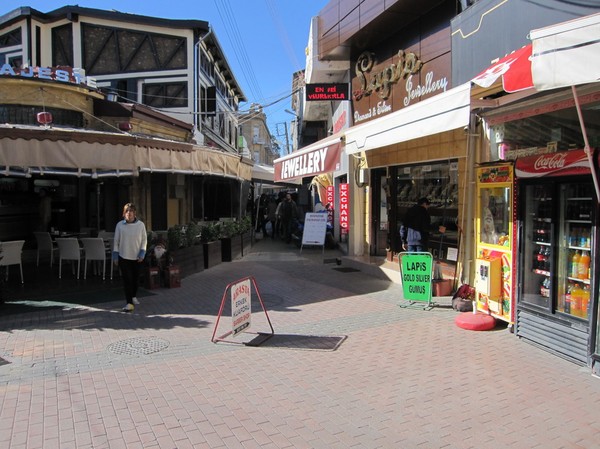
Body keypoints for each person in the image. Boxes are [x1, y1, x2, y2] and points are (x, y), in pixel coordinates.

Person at [113, 203, 147, 312]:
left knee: (135, 280)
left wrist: (142, 253)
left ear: (135, 213)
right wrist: (115, 257)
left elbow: (144, 240)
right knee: (127, 280)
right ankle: (129, 303)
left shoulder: (141, 225)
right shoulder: (119, 225)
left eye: (131, 211)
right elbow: (116, 241)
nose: (129, 213)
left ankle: (133, 296)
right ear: (124, 214)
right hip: (124, 257)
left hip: (137, 257)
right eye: (127, 211)